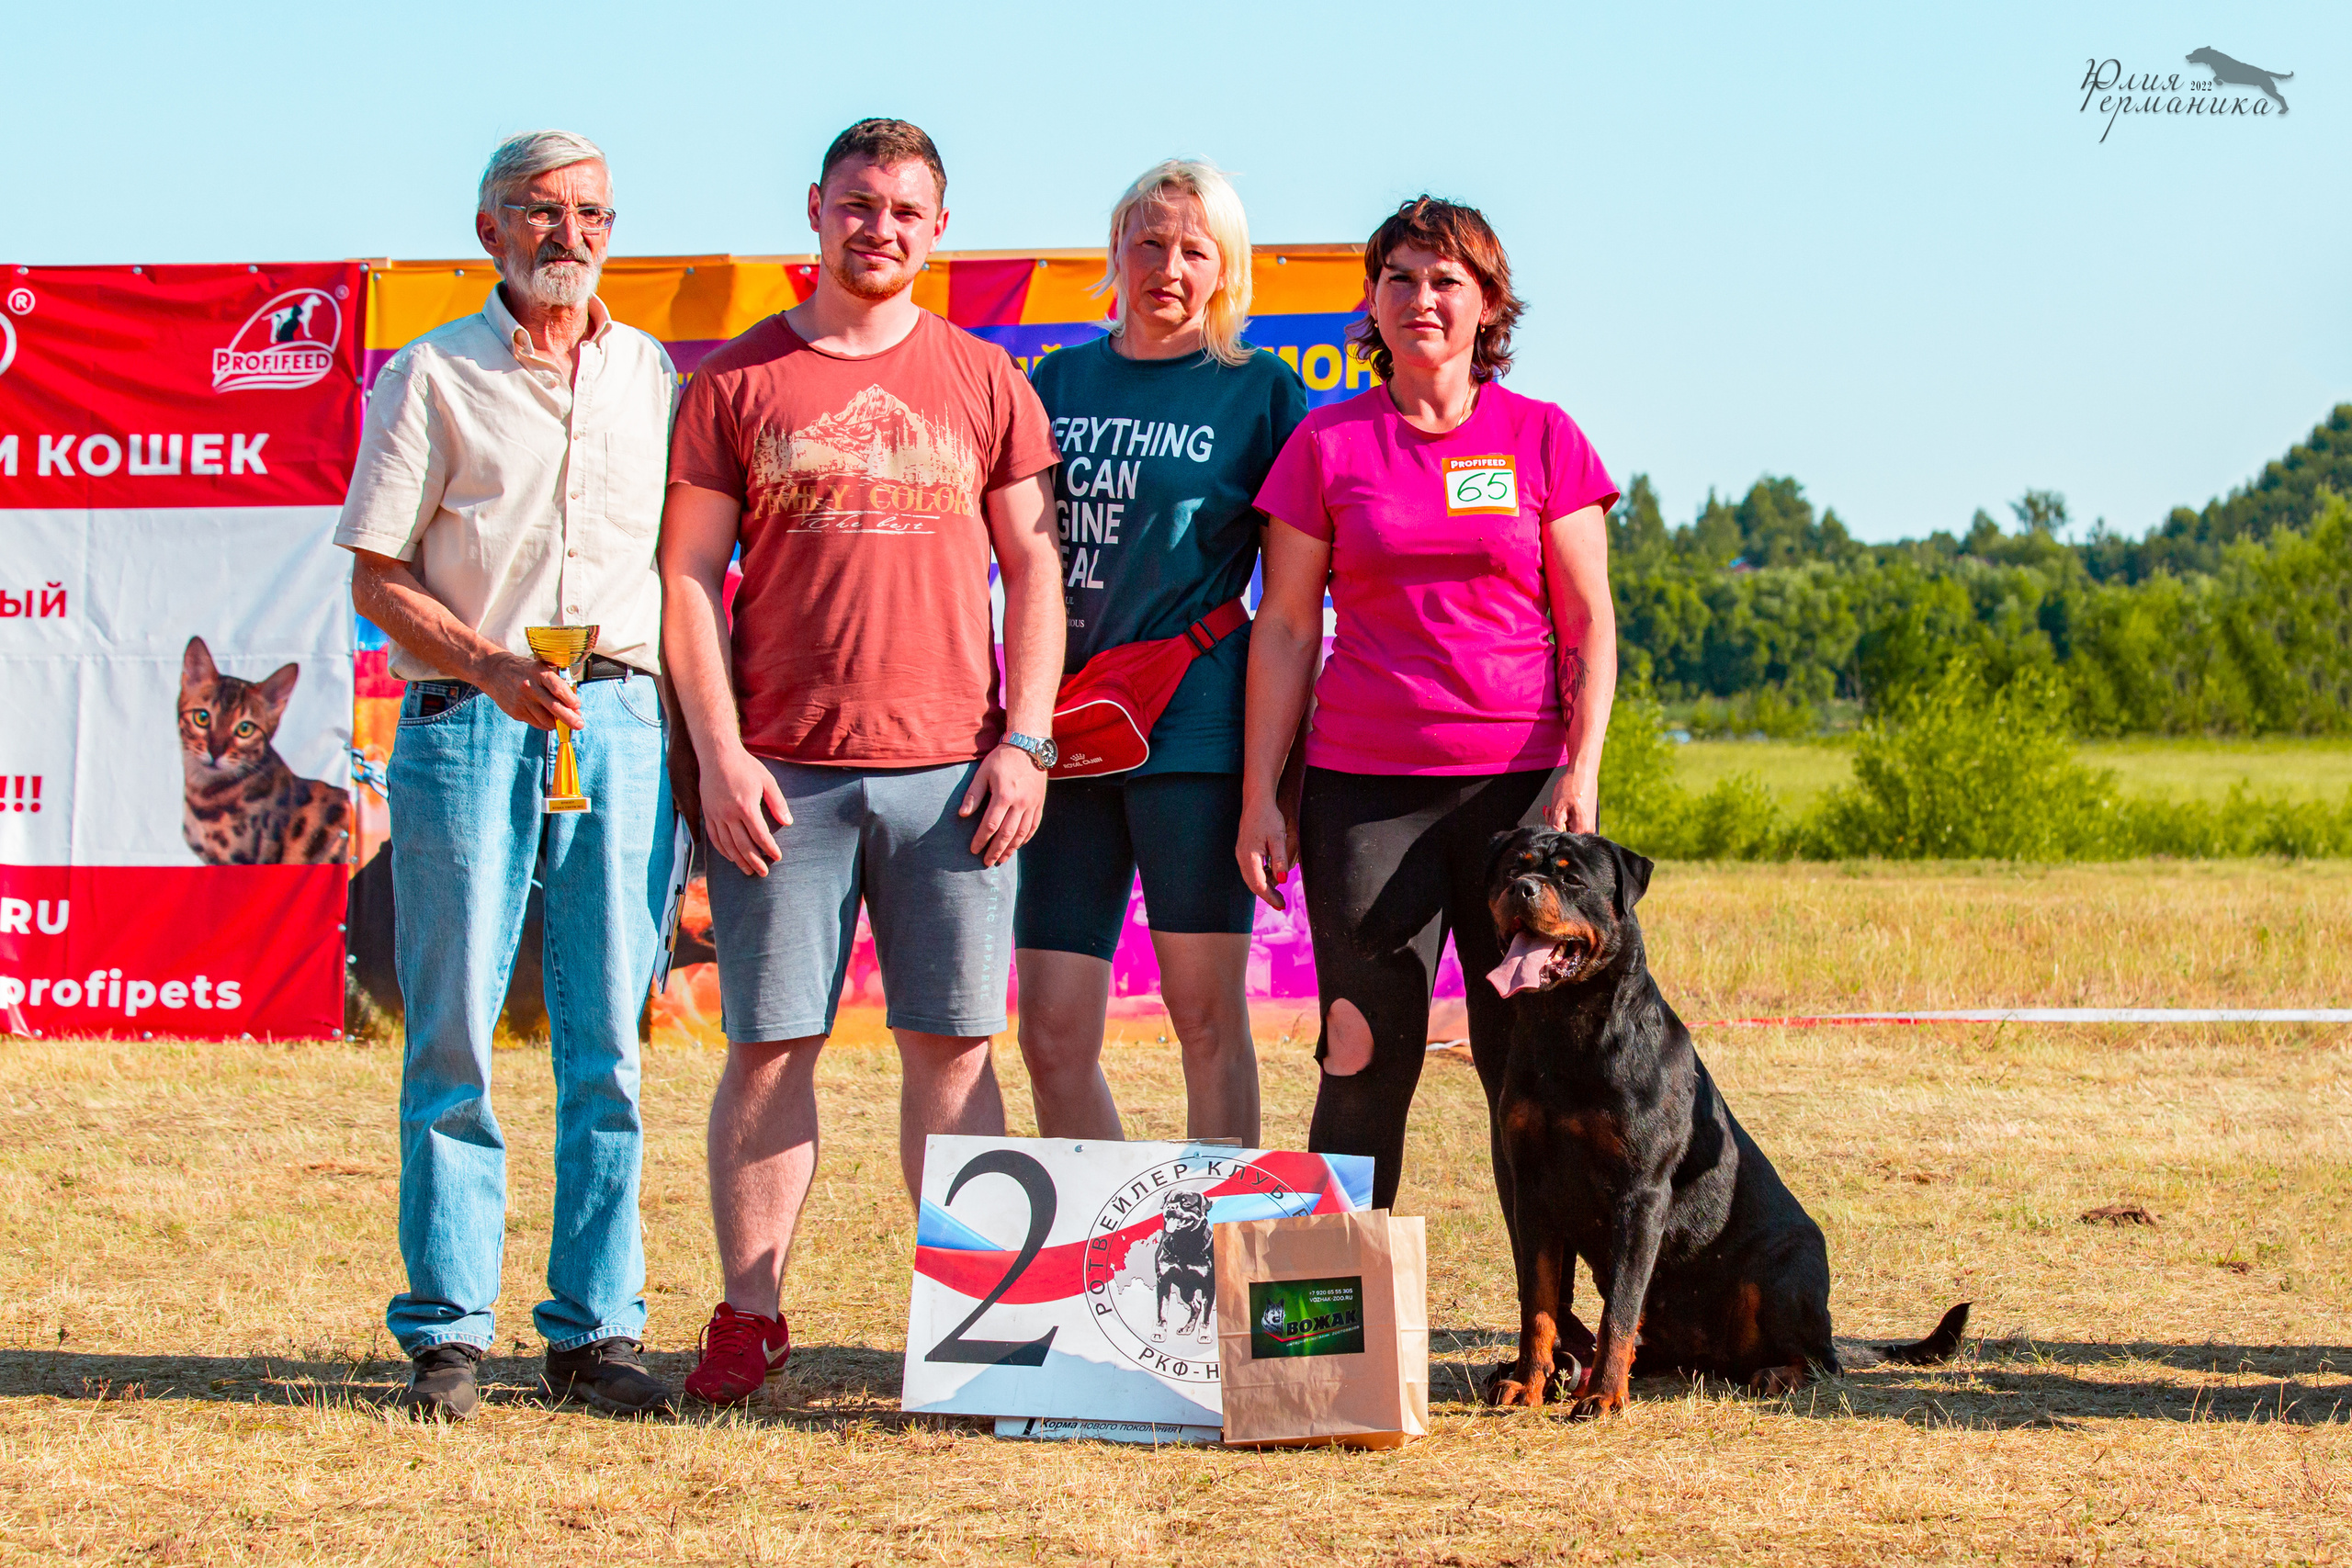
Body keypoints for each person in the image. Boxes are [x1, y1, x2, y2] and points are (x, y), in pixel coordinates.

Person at [660, 118, 1063, 1406]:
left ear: (937, 229)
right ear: (815, 210)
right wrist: (720, 753)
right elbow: (684, 576)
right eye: (857, 203)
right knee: (770, 1046)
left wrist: (1027, 741)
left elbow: (1034, 569)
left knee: (954, 1050)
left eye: (902, 209)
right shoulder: (734, 381)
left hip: (955, 775)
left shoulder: (986, 379)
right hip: (782, 777)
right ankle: (751, 1317)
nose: (877, 227)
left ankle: (983, 1329)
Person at [336, 130, 677, 1420]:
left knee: (611, 1038)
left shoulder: (652, 374)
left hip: (621, 718)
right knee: (453, 1034)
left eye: (590, 213)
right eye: (540, 212)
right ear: (489, 230)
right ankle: (448, 1335)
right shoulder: (430, 373)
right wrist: (488, 664)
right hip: (468, 718)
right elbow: (377, 577)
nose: (567, 235)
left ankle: (597, 1333)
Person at [1237, 197, 1621, 1211]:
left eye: (1446, 279)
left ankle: (1549, 1306)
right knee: (1361, 1053)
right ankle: (1335, 1301)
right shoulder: (1327, 443)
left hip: (1520, 803)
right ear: (1372, 301)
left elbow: (1588, 621)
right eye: (1399, 278)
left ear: (1488, 302)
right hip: (1364, 795)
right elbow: (1285, 627)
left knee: (1531, 1065)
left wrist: (1581, 770)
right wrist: (1261, 794)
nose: (1422, 299)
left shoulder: (1543, 438)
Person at [1014, 161, 1308, 1145]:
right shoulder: (1056, 382)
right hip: (1065, 733)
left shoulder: (1261, 392)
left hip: (1193, 733)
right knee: (1051, 1033)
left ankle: (1214, 1237)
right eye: (1149, 242)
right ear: (1117, 250)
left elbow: (1292, 607)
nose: (1169, 267)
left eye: (1194, 250)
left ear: (1227, 268)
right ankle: (1115, 1231)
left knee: (1207, 1023)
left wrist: (1271, 783)